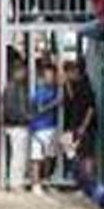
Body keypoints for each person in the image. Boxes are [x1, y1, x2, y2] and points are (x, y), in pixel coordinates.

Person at [28, 64, 60, 194]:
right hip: (39, 127)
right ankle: (36, 184)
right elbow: (40, 109)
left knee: (49, 157)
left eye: (52, 76)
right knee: (37, 157)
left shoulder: (56, 90)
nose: (50, 78)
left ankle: (46, 182)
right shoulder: (39, 91)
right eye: (47, 75)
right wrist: (56, 103)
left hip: (51, 127)